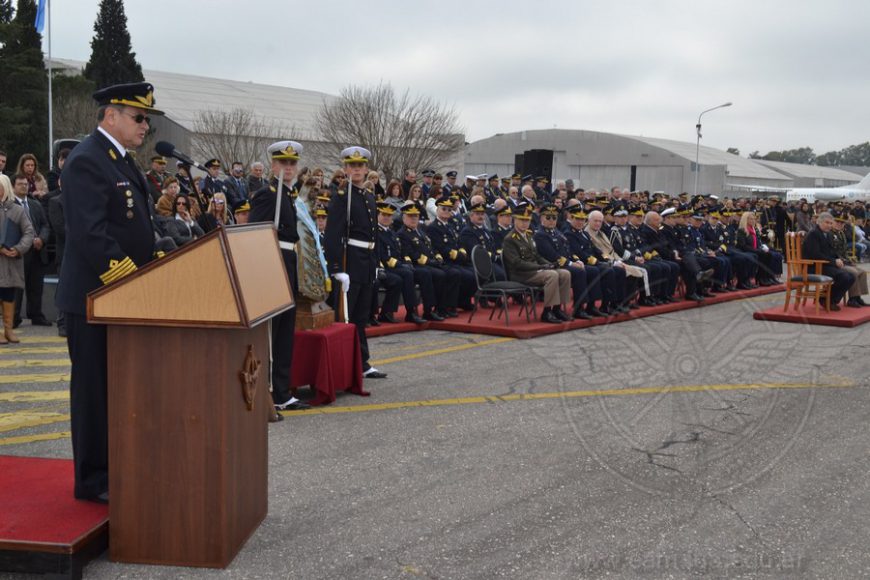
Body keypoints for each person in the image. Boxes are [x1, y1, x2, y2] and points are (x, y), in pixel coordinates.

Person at [56, 82, 163, 503]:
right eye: (139, 118)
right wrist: (129, 275)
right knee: (94, 392)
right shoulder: (87, 160)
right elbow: (90, 233)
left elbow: (133, 224)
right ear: (111, 115)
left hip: (120, 295)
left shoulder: (121, 161)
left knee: (118, 389)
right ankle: (94, 480)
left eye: (147, 121)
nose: (145, 128)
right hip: (94, 297)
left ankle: (117, 466)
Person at [248, 140, 311, 411]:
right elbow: (256, 234)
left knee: (286, 327)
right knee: (275, 330)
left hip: (288, 258)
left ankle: (282, 391)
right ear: (273, 165)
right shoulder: (267, 194)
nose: (288, 167)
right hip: (274, 261)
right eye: (283, 163)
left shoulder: (287, 195)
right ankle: (271, 391)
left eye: (292, 163)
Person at [324, 146, 386, 379]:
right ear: (345, 169)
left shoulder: (368, 196)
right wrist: (337, 268)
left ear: (366, 168)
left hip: (367, 261)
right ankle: (343, 365)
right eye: (352, 166)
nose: (357, 170)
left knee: (361, 315)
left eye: (360, 166)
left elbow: (374, 234)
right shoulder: (342, 197)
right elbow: (332, 234)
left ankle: (362, 362)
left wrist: (377, 261)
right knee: (346, 316)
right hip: (351, 261)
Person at [502, 203, 571, 323]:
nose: (525, 223)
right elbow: (516, 263)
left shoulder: (528, 236)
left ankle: (557, 309)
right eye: (522, 220)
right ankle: (547, 311)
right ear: (514, 220)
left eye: (527, 220)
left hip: (535, 271)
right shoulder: (510, 239)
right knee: (552, 275)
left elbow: (537, 256)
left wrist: (549, 264)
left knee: (565, 273)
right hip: (521, 274)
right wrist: (540, 267)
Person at [373, 202, 426, 324]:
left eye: (389, 215)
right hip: (382, 267)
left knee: (403, 276)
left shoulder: (391, 232)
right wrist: (399, 264)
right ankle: (410, 312)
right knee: (405, 275)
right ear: (378, 215)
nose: (386, 217)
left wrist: (405, 262)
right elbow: (381, 255)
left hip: (394, 266)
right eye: (383, 214)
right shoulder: (376, 232)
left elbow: (399, 251)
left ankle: (388, 312)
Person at [11, 174, 51, 327]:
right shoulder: (9, 205)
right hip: (20, 253)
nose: (24, 186)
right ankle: (14, 317)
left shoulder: (35, 204)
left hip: (37, 251)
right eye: (20, 184)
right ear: (13, 187)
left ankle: (36, 315)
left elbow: (45, 225)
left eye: (26, 184)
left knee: (36, 286)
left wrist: (41, 238)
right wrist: (26, 242)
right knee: (17, 288)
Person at [1, 174, 35, 344]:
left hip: (11, 262)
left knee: (8, 294)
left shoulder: (17, 210)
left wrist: (18, 248)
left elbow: (29, 232)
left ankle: (8, 329)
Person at [802, 212, 856, 310]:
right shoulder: (814, 233)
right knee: (843, 277)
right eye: (827, 223)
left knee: (851, 277)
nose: (829, 225)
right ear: (819, 222)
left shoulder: (826, 234)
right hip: (813, 266)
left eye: (831, 223)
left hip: (825, 265)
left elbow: (831, 251)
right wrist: (834, 261)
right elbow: (816, 255)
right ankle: (827, 301)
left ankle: (828, 299)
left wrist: (838, 260)